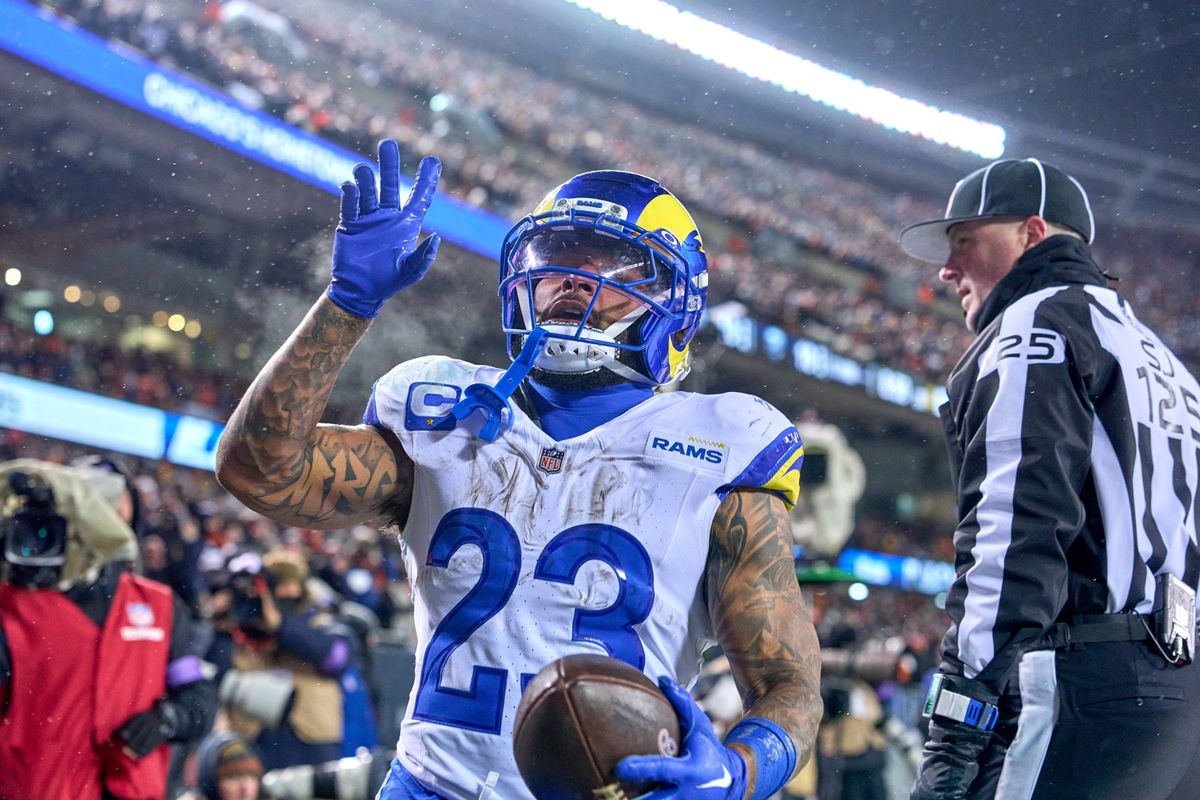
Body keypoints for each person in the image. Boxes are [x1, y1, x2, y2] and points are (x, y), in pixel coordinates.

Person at [216, 140, 823, 800]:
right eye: (554, 257)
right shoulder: (439, 410)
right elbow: (259, 471)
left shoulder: (720, 445)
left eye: (611, 261)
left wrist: (736, 773)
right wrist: (347, 302)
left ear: (673, 301)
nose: (573, 277)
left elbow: (789, 687)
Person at [898, 158, 1200, 799]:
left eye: (965, 241)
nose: (947, 269)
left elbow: (1013, 529)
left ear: (1032, 234)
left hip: (1088, 682)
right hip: (1183, 693)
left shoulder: (1036, 323)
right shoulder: (1168, 362)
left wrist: (959, 713)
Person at [0, 458, 215, 800]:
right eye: (92, 491)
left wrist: (166, 719)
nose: (105, 505)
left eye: (116, 492)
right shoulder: (15, 603)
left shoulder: (160, 605)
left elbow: (199, 699)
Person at [219, 548, 363, 771]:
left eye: (293, 584)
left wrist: (281, 626)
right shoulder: (248, 617)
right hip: (255, 730)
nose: (289, 591)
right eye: (281, 585)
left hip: (310, 734)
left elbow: (336, 659)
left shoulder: (320, 615)